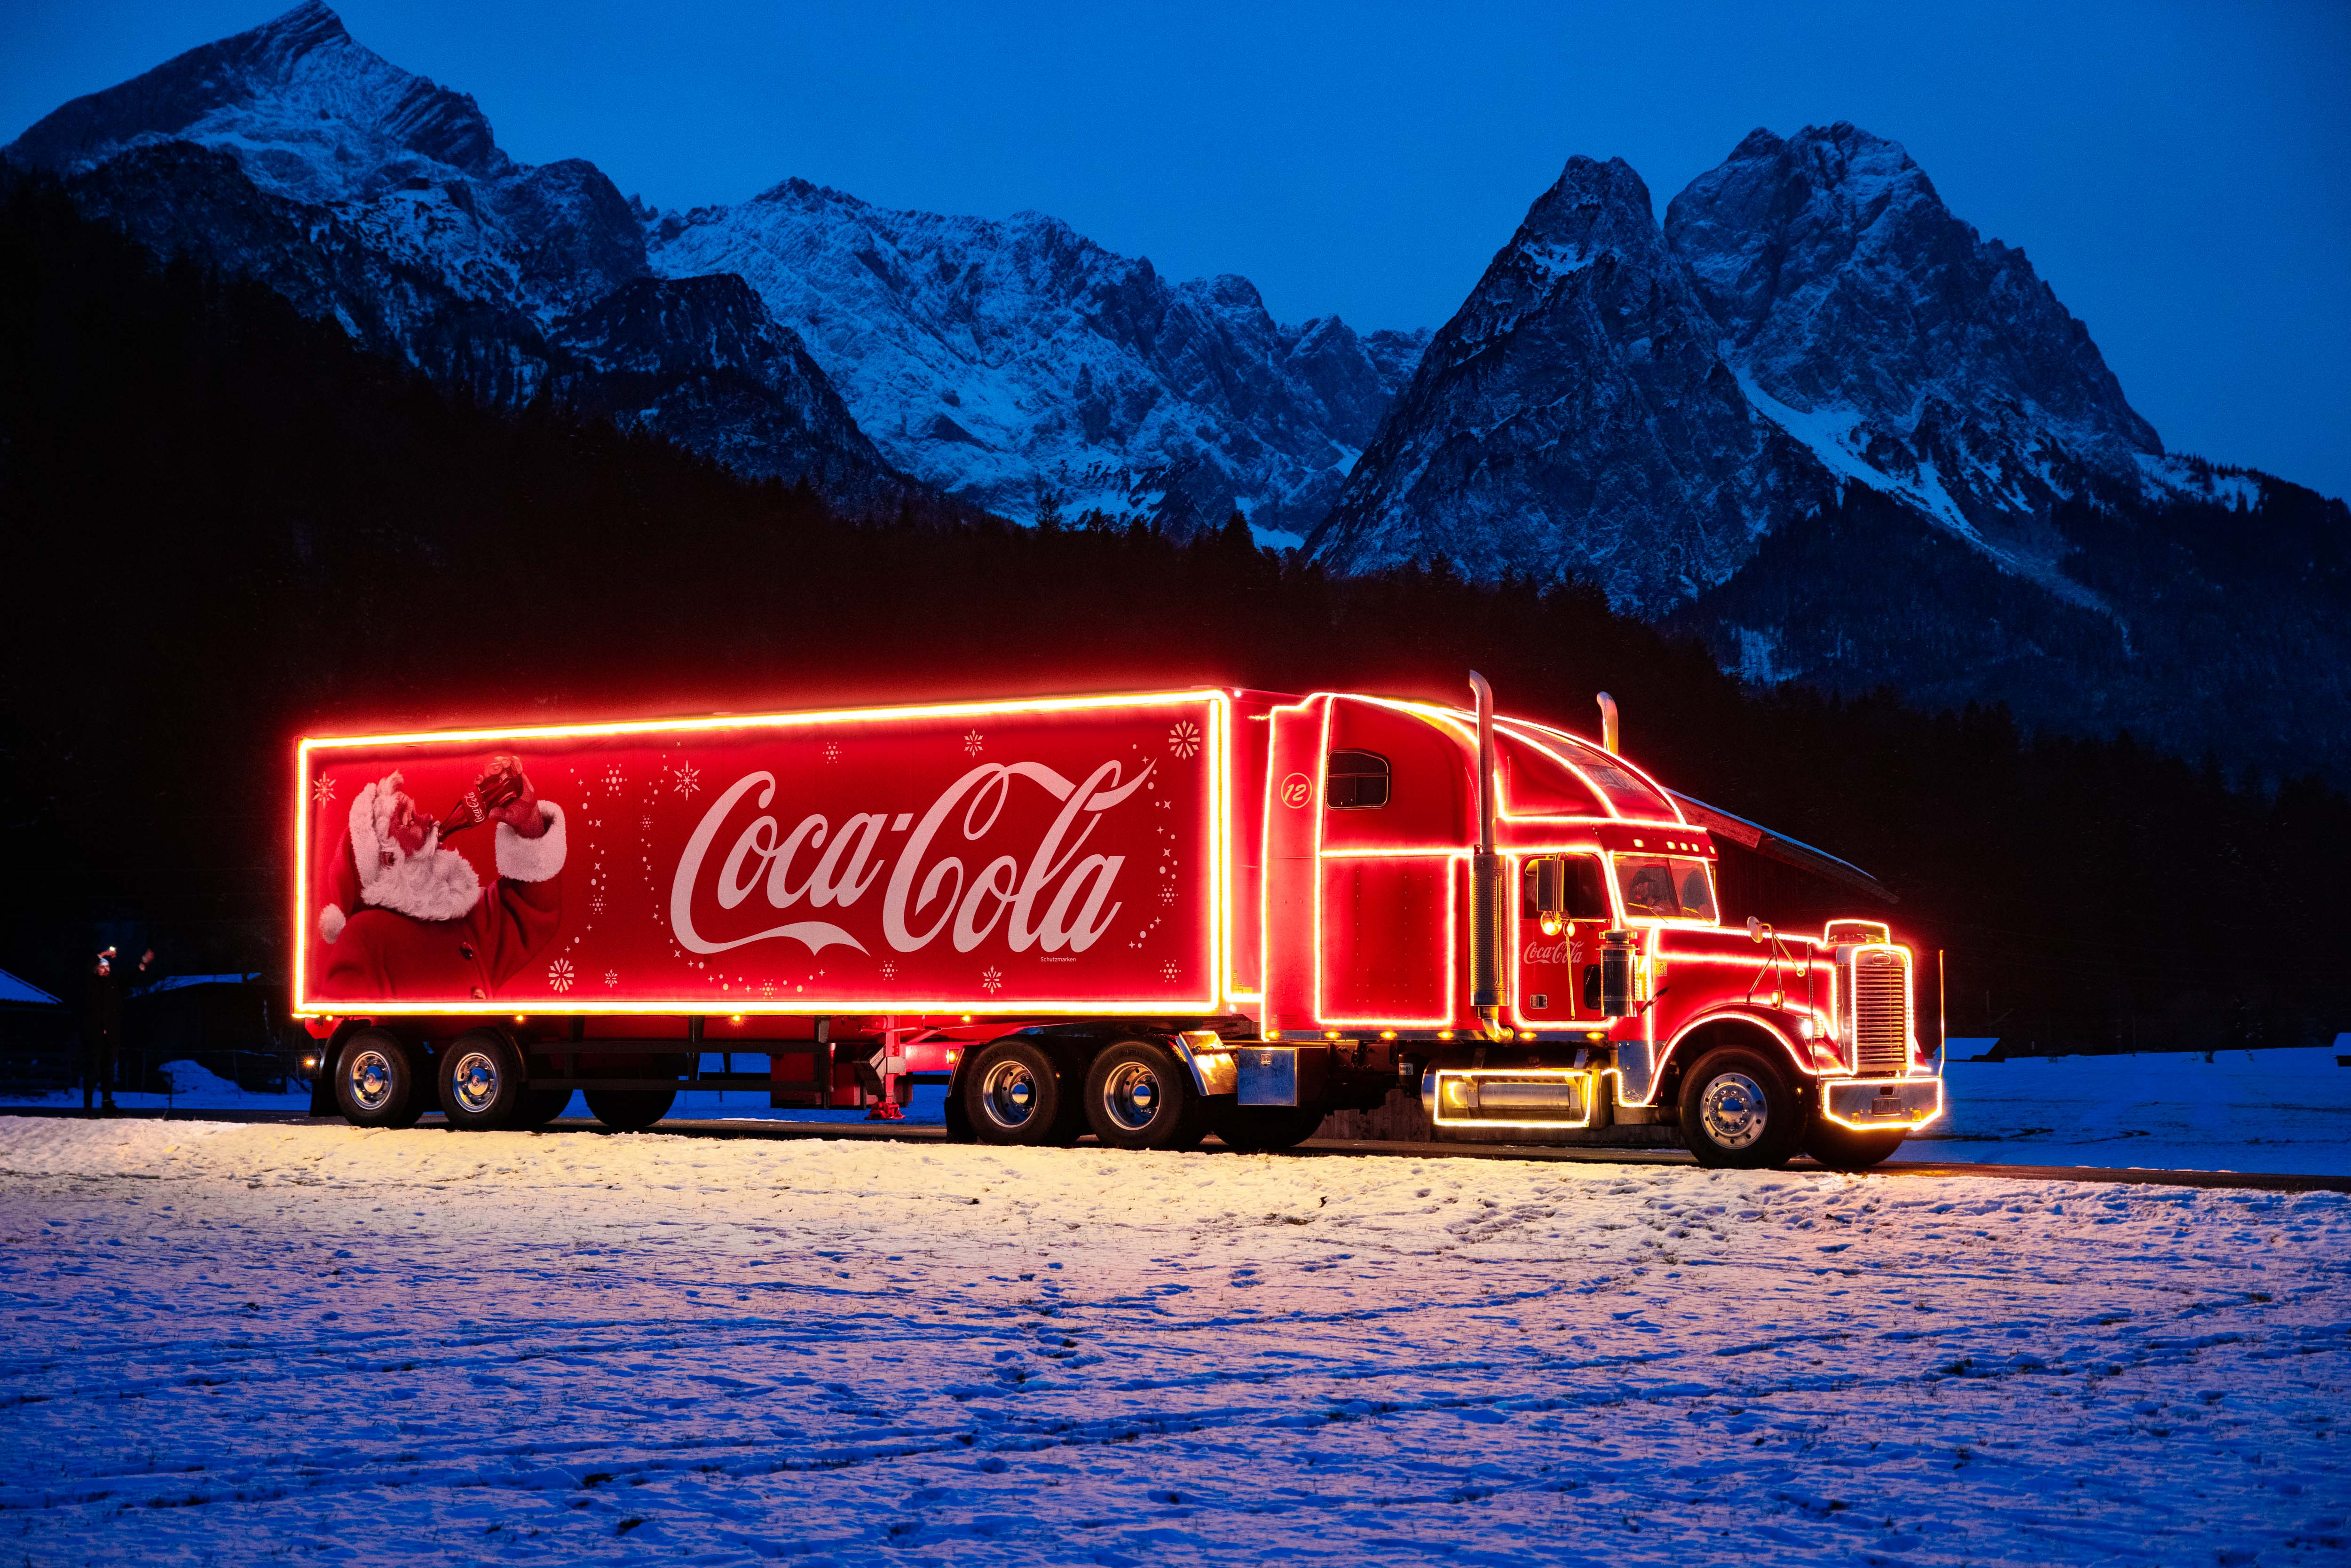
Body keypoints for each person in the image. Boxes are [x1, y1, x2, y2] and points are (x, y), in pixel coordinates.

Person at [314, 758, 566, 1001]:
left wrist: (529, 820)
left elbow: (530, 910)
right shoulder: (365, 935)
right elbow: (353, 1015)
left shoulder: (462, 916)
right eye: (408, 819)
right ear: (390, 860)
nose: (428, 818)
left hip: (475, 1043)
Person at [80, 948, 122, 1113]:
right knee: (92, 1070)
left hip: (111, 1037)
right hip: (94, 1036)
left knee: (108, 1071)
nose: (106, 970)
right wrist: (102, 955)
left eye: (108, 968)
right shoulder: (90, 983)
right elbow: (85, 969)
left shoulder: (112, 986)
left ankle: (107, 1102)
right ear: (96, 969)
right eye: (103, 967)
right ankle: (88, 1106)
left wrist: (142, 964)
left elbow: (130, 980)